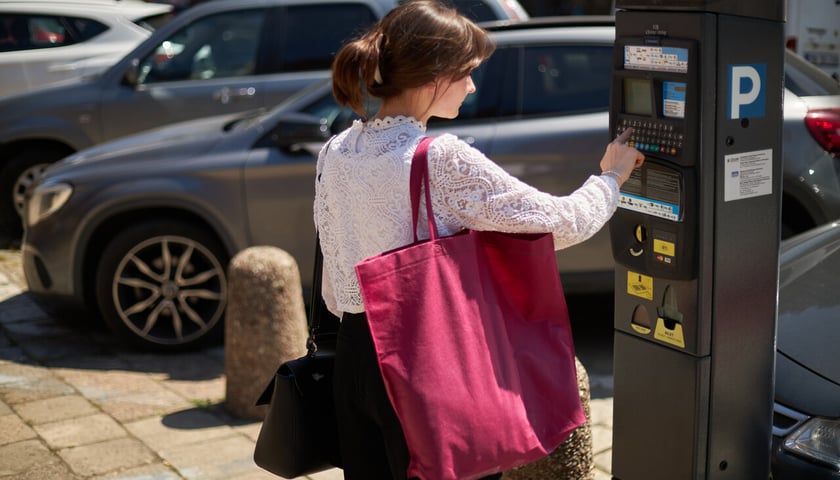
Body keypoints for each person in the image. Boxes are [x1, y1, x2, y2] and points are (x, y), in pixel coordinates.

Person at [313, 1, 644, 478]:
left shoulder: (336, 150)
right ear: (434, 77)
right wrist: (611, 176)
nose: (471, 85)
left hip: (354, 357)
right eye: (466, 73)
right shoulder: (439, 158)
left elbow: (334, 278)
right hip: (425, 362)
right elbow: (562, 222)